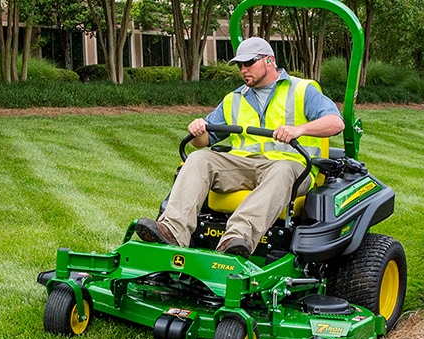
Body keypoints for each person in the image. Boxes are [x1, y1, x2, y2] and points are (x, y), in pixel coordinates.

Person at [134, 37, 344, 256]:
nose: (243, 70)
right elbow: (204, 141)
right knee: (199, 159)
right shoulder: (234, 98)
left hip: (291, 166)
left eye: (249, 63)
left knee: (281, 170)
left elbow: (335, 123)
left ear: (269, 61)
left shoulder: (302, 90)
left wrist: (298, 130)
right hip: (243, 165)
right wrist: (198, 131)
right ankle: (172, 231)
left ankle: (237, 238)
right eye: (240, 65)